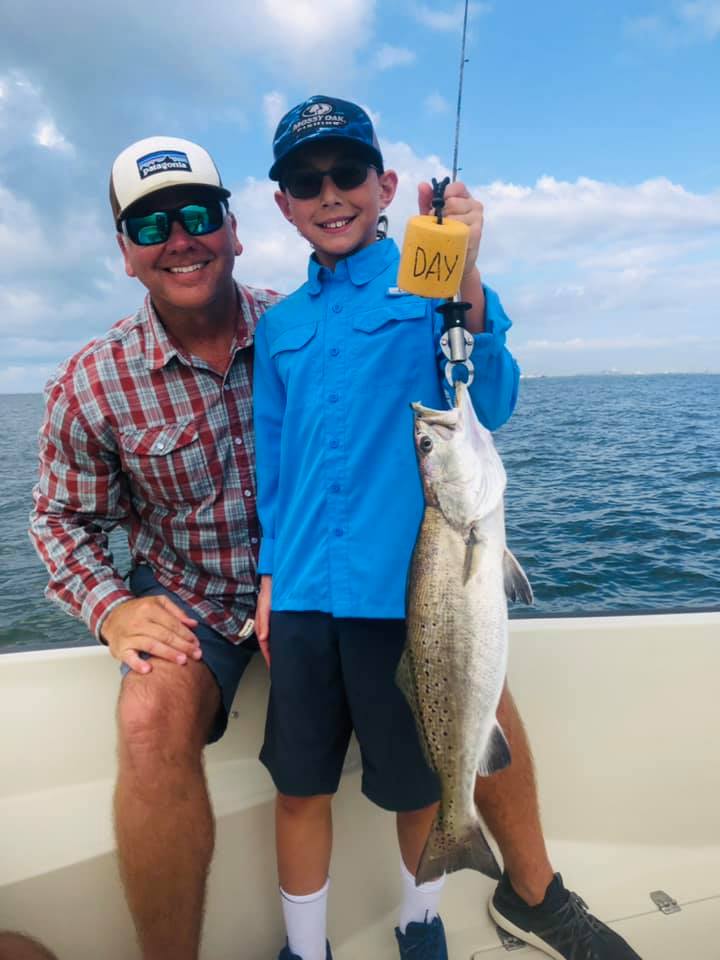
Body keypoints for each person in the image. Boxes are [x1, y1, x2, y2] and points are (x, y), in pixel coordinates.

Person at [253, 96, 642, 960]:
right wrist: (272, 577)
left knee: (416, 788)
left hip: (410, 593)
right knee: (299, 789)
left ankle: (420, 919)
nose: (330, 194)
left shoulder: (428, 280)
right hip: (310, 595)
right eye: (305, 182)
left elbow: (493, 397)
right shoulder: (279, 326)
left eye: (348, 173)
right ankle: (304, 948)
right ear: (282, 205)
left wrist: (465, 272)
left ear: (384, 183)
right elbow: (273, 470)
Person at [29, 136, 280, 960]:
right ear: (126, 255)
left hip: (310, 585)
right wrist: (111, 608)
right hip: (193, 599)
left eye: (197, 214)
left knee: (461, 651)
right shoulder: (90, 382)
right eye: (150, 225)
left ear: (234, 229)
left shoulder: (300, 333)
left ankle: (535, 892)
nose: (179, 238)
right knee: (145, 722)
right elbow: (60, 521)